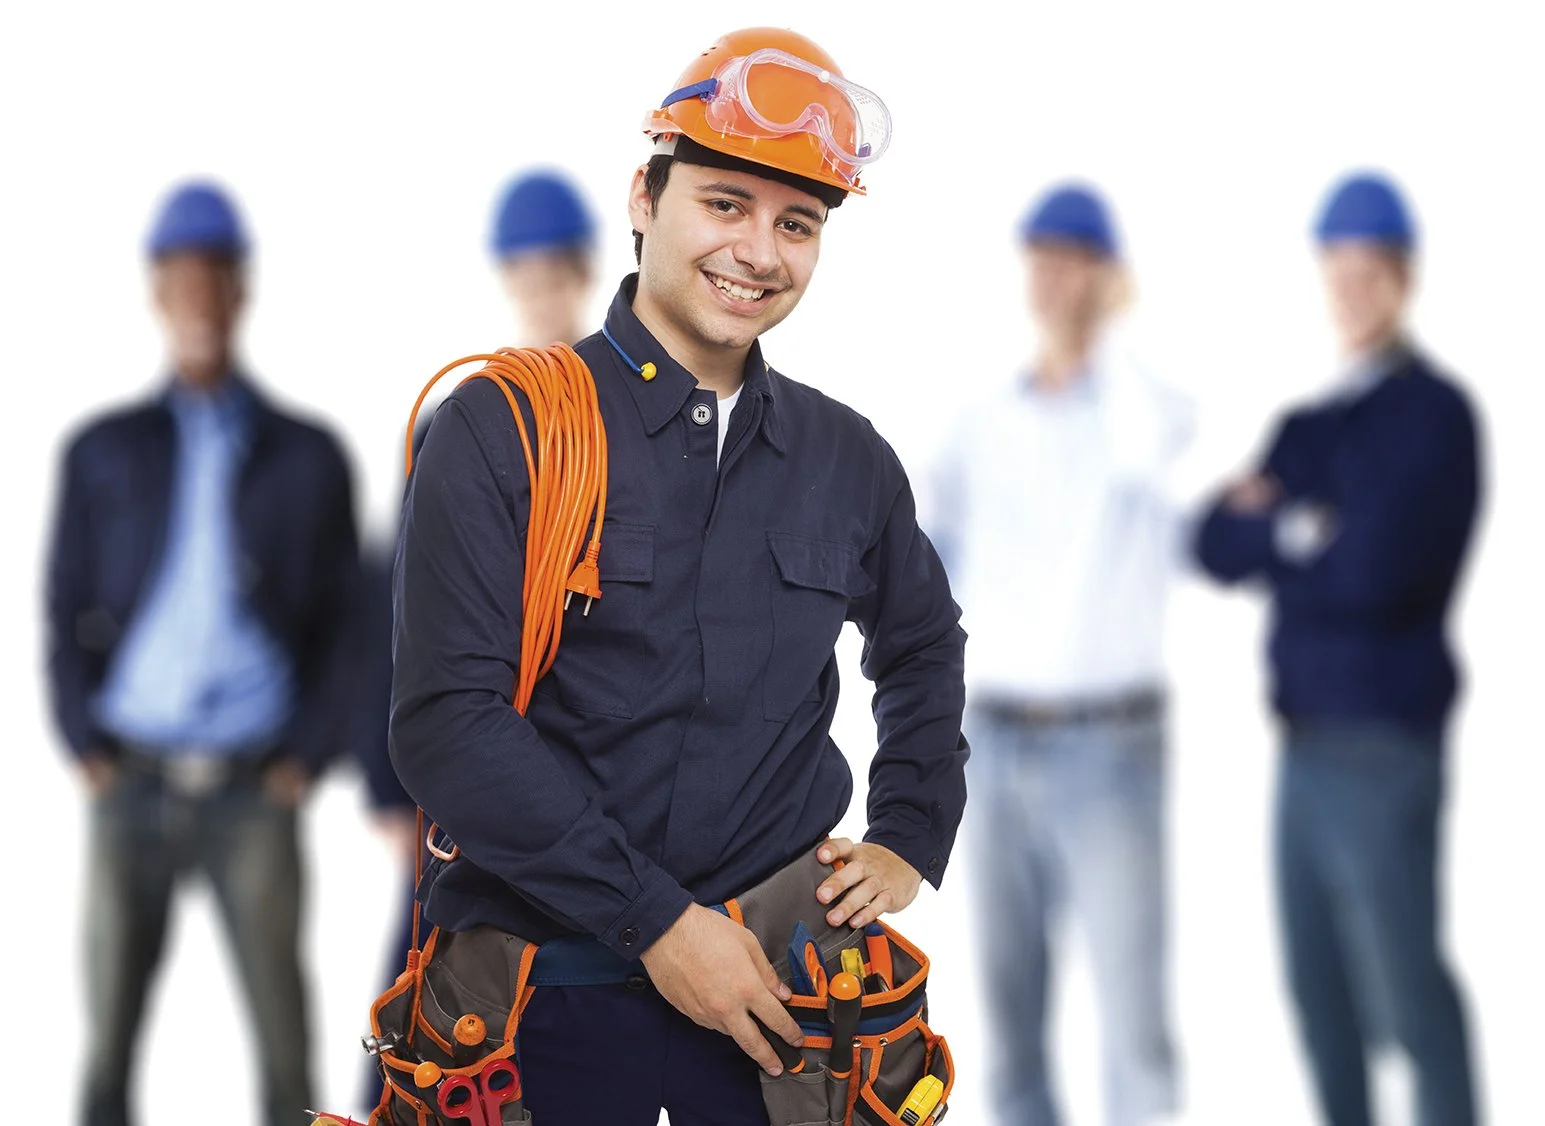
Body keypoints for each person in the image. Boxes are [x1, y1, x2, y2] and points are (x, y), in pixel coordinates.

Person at [390, 27, 967, 1124]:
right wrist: (657, 922)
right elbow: (445, 724)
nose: (759, 251)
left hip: (784, 1013)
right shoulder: (503, 430)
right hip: (542, 1006)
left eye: (796, 223)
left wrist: (910, 829)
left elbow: (924, 644)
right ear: (644, 198)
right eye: (725, 203)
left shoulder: (846, 459)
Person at [45, 181, 360, 1126]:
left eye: (214, 280)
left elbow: (349, 625)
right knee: (106, 1043)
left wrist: (307, 758)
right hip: (130, 777)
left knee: (285, 1047)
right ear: (156, 293)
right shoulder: (103, 450)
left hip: (253, 787)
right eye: (179, 282)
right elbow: (61, 608)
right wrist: (83, 744)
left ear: (240, 291)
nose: (198, 301)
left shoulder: (307, 456)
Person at [1193, 172, 1482, 1126]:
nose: (1353, 292)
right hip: (1301, 752)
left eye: (1372, 274)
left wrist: (1284, 529)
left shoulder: (1433, 416)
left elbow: (1378, 572)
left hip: (1382, 749)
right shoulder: (1310, 424)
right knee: (1319, 1000)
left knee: (1406, 998)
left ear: (1404, 277)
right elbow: (1211, 542)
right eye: (1339, 273)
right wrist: (1305, 528)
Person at [928, 185, 1190, 1126]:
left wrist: (1103, 340)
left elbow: (1166, 467)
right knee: (1010, 1018)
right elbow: (931, 554)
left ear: (1104, 276)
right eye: (1039, 259)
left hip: (1105, 746)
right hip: (995, 742)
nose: (1052, 278)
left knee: (1131, 1022)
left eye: (1073, 261)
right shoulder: (982, 420)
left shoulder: (1138, 411)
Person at [490, 168, 600, 346]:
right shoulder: (494, 365)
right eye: (530, 290)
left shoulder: (623, 360)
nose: (543, 304)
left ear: (585, 276)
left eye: (555, 285)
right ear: (509, 283)